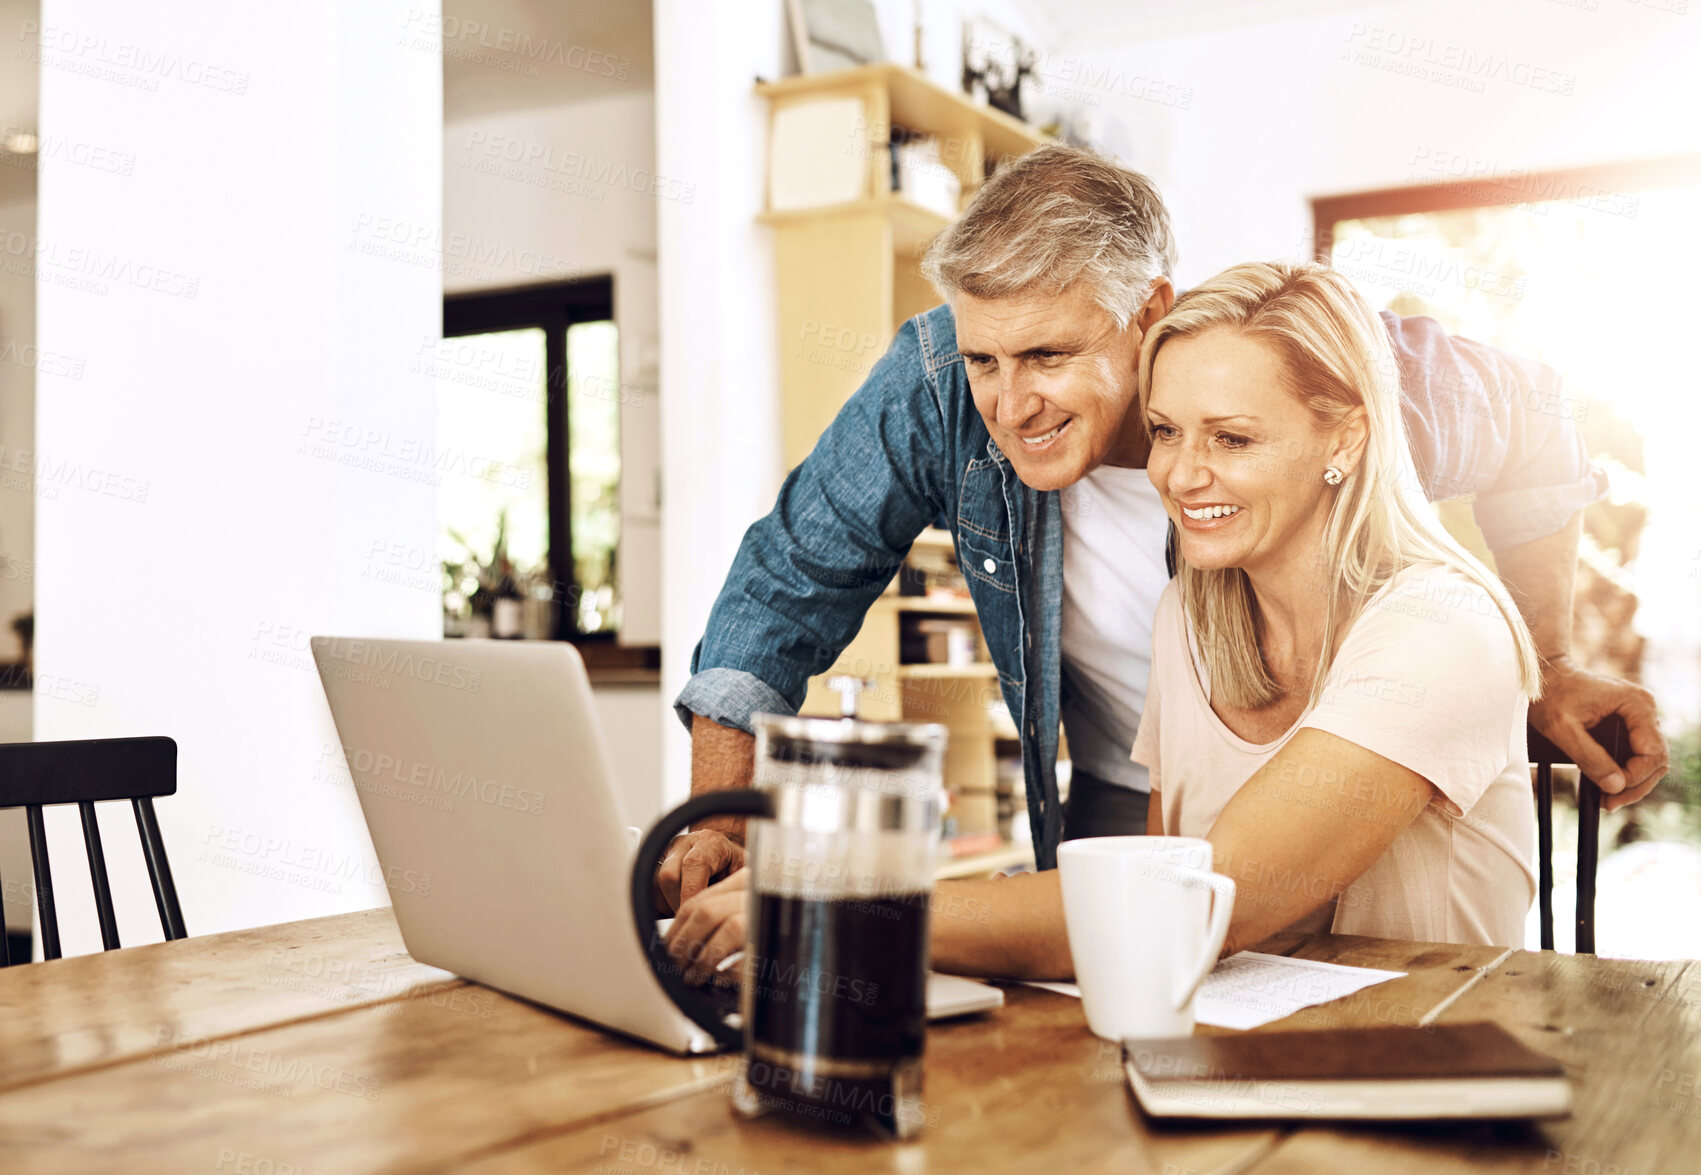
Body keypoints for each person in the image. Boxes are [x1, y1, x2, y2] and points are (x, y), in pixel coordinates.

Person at [656, 145, 1667, 980]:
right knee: (1131, 1004)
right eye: (984, 362)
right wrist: (721, 819)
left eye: (1049, 355)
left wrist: (1544, 662)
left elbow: (1535, 414)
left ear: (1149, 311)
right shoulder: (1183, 609)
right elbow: (787, 578)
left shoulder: (1325, 366)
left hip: (1366, 770)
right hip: (1141, 783)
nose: (1006, 405)